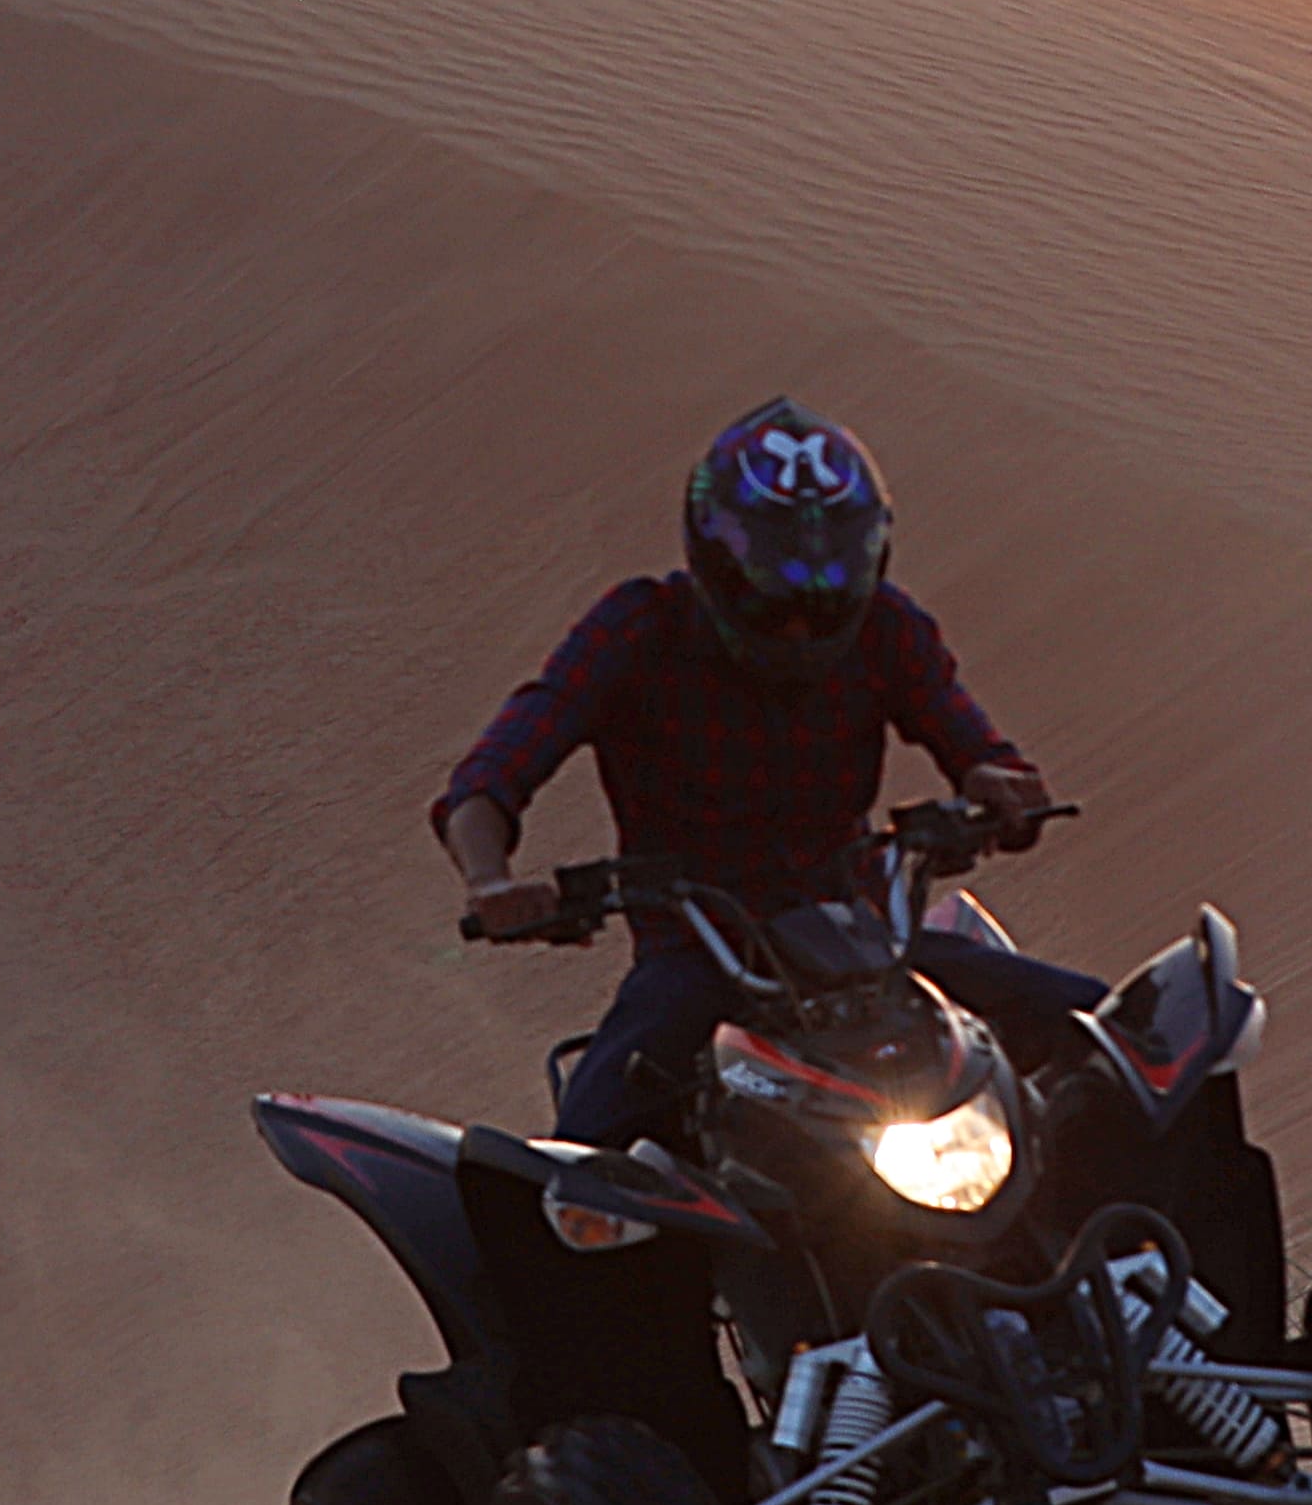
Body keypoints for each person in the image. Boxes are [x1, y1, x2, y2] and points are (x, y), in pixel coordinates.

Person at [436, 400, 1081, 1147]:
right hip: (704, 961)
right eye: (779, 588)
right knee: (583, 1153)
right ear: (720, 561)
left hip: (866, 945)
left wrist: (1000, 786)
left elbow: (977, 746)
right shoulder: (640, 631)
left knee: (1107, 1035)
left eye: (828, 585)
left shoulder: (885, 627)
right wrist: (490, 881)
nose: (803, 619)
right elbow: (494, 772)